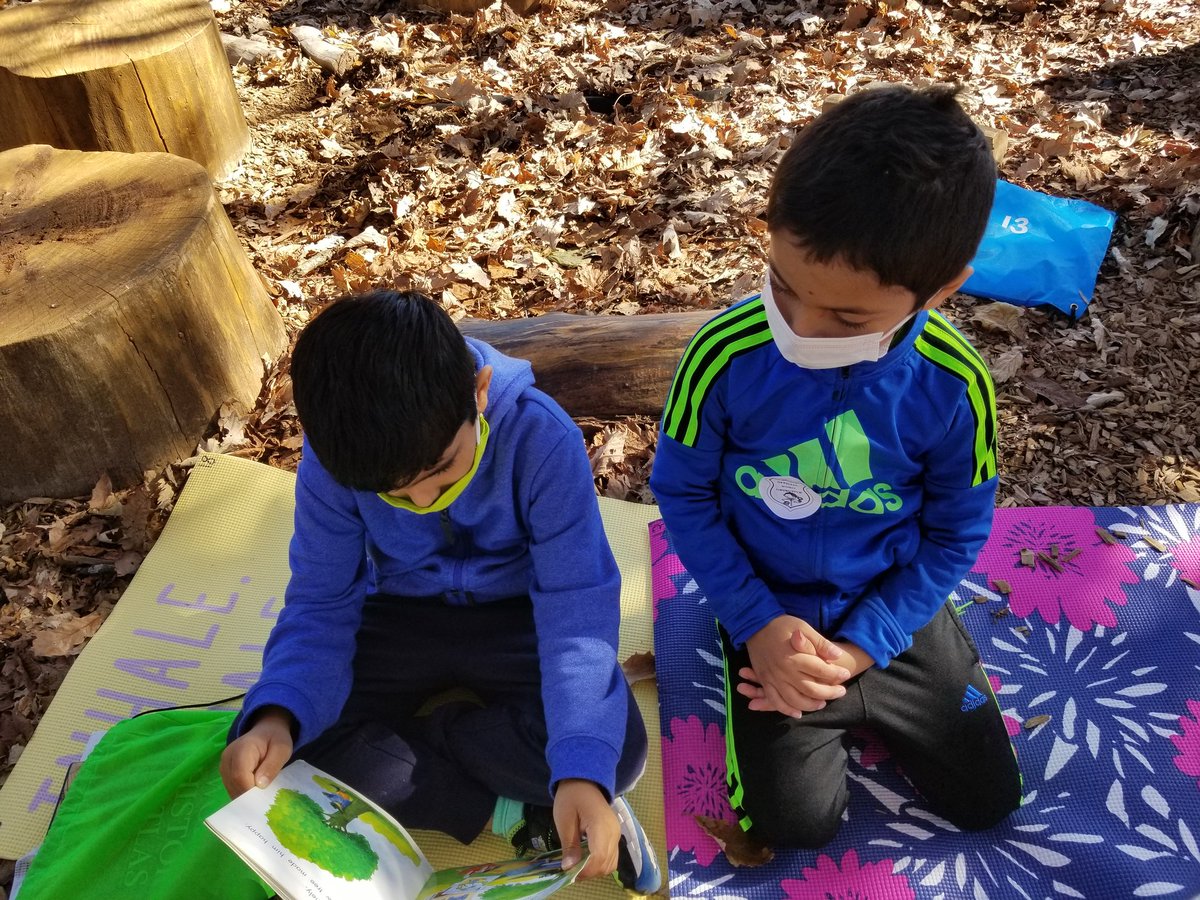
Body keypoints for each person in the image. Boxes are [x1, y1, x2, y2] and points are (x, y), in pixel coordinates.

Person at [650, 84, 1022, 850]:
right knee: (795, 824)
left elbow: (955, 534)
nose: (801, 329)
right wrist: (755, 623)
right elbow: (682, 492)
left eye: (848, 318)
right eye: (783, 288)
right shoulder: (722, 355)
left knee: (989, 800)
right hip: (768, 608)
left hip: (890, 606)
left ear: (943, 288)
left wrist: (864, 644)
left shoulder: (955, 385)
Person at [220, 290, 660, 892]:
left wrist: (580, 768)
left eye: (441, 468)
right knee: (268, 745)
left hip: (518, 615)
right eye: (395, 492)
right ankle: (513, 807)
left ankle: (504, 772)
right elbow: (322, 602)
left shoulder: (541, 439)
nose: (424, 500)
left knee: (614, 751)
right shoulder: (338, 459)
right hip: (399, 614)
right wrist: (278, 715)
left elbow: (577, 608)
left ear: (479, 392)